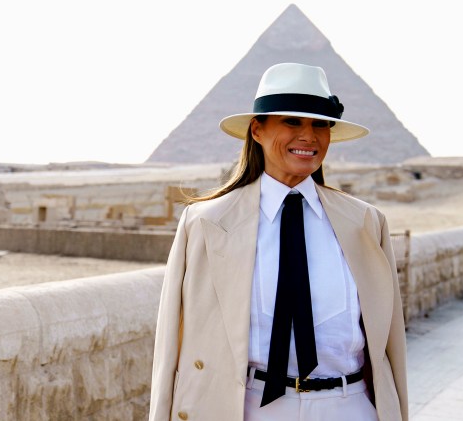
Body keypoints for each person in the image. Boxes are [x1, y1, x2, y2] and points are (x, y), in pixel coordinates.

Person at [149, 63, 407, 421]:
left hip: (349, 407)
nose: (309, 136)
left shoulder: (365, 222)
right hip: (251, 408)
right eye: (292, 122)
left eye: (320, 124)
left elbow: (390, 346)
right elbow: (170, 347)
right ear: (257, 130)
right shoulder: (206, 223)